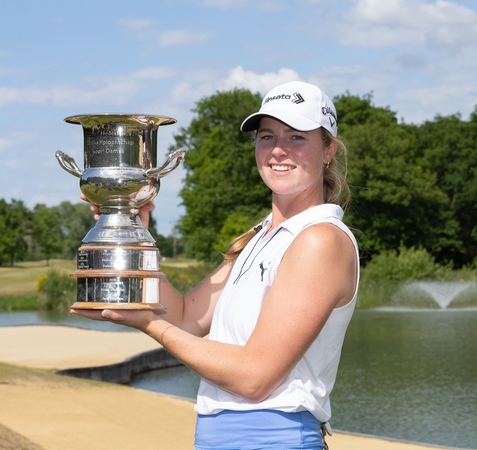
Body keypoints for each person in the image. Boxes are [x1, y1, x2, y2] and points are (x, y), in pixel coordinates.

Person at [73, 80, 359, 450]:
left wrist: (151, 325)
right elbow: (185, 317)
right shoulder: (259, 236)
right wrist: (131, 236)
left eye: (297, 138)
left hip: (274, 437)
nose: (278, 151)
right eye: (267, 137)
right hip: (216, 436)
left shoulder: (320, 239)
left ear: (328, 151)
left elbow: (254, 377)